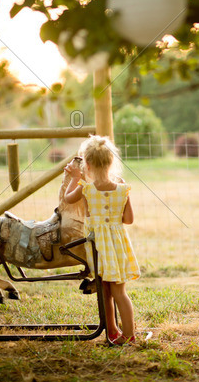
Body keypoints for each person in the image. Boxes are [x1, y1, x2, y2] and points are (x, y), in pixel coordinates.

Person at [64, 135, 140, 345]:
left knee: (108, 290)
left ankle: (127, 335)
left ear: (86, 164)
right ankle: (113, 331)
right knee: (116, 290)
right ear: (111, 162)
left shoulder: (86, 188)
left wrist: (74, 177)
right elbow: (129, 219)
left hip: (98, 246)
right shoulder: (122, 187)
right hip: (117, 245)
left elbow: (67, 199)